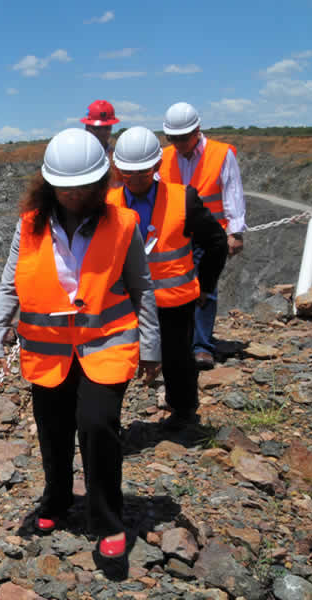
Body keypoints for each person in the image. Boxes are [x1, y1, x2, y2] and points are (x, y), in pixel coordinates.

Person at [0, 128, 161, 559]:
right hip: (49, 353)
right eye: (65, 187)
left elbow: (143, 287)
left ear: (100, 183)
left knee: (98, 427)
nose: (73, 195)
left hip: (107, 346)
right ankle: (57, 499)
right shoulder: (29, 226)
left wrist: (152, 348)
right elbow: (10, 288)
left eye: (83, 187)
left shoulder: (123, 225)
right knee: (53, 430)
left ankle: (108, 519)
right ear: (49, 184)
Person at [108, 127, 228, 430]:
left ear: (157, 166)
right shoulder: (107, 204)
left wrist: (206, 285)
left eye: (141, 172)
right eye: (127, 172)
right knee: (115, 360)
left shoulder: (182, 199)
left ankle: (184, 411)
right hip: (125, 303)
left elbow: (216, 242)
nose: (133, 179)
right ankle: (106, 422)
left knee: (178, 360)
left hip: (174, 302)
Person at [157, 102, 246, 370]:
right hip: (176, 234)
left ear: (197, 130)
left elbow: (233, 193)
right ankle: (177, 342)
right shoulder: (165, 157)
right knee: (175, 288)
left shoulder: (220, 154)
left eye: (183, 137)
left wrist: (236, 232)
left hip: (211, 235)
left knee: (206, 287)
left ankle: (202, 346)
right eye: (173, 138)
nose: (179, 143)